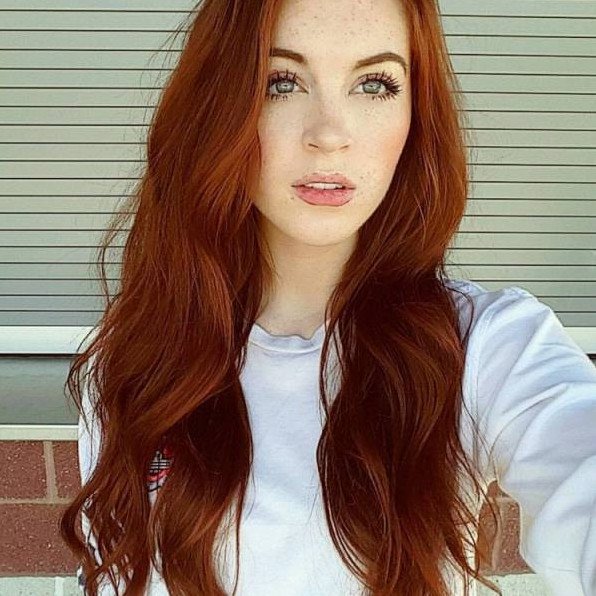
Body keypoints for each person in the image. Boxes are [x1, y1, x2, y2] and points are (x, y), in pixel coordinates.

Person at [60, 0, 596, 594]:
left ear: (415, 114)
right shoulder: (132, 355)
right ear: (219, 105)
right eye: (281, 82)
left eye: (375, 84)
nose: (330, 135)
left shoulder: (486, 347)